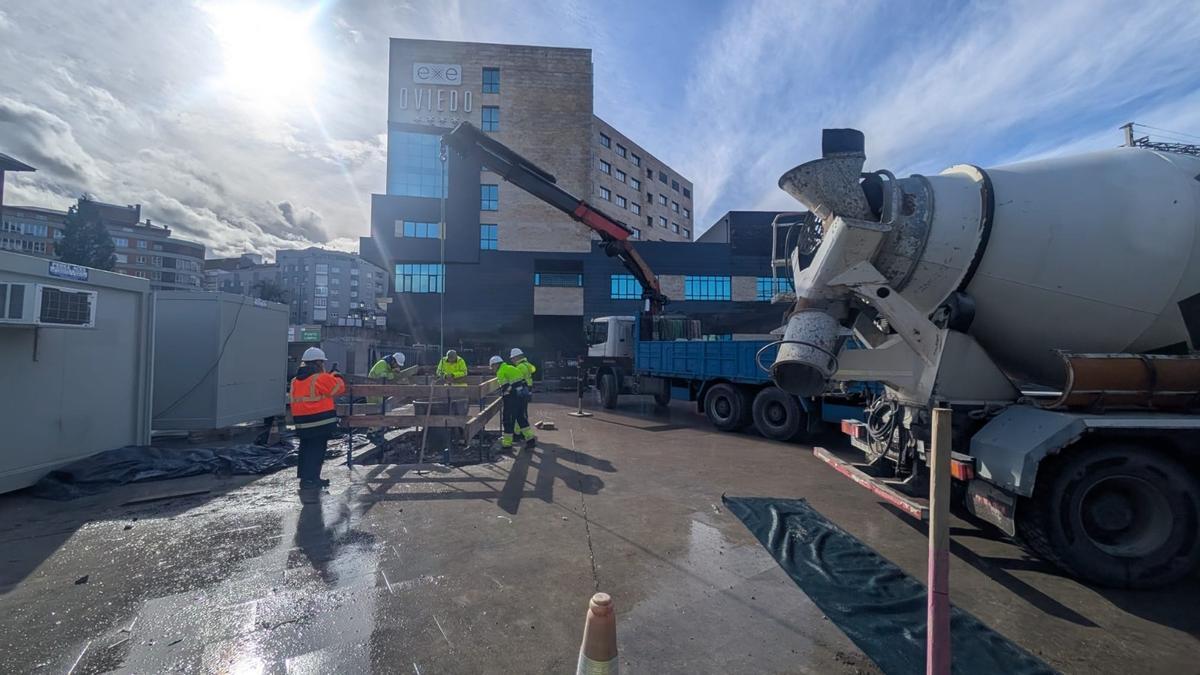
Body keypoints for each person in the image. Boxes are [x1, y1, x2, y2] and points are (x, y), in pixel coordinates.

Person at [290, 347, 346, 501]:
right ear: (318, 362)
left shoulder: (295, 380)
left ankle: (306, 478)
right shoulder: (320, 378)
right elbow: (339, 387)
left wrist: (329, 376)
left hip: (301, 422)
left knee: (306, 449)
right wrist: (337, 375)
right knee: (316, 451)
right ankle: (311, 480)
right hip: (318, 422)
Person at [490, 355, 535, 451]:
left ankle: (507, 444)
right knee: (521, 419)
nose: (492, 369)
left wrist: (502, 392)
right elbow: (522, 382)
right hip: (522, 397)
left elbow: (506, 388)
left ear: (496, 364)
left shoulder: (501, 372)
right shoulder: (512, 368)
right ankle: (530, 440)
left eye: (492, 366)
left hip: (512, 399)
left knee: (508, 421)